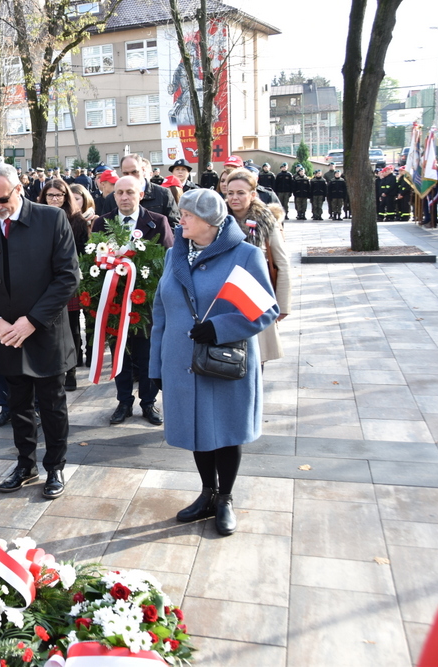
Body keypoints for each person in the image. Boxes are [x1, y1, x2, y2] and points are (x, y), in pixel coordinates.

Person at [149, 188, 279, 536]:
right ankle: (206, 492)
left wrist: (219, 327)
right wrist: (155, 366)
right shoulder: (176, 253)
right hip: (180, 361)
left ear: (209, 221)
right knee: (195, 431)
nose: (181, 220)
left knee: (225, 431)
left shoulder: (245, 255)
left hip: (223, 359)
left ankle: (225, 498)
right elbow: (160, 312)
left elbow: (267, 309)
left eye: (188, 215)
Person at [0, 162, 80, 500]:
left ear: (19, 189)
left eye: (2, 200)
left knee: (52, 403)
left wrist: (32, 321)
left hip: (43, 331)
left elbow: (67, 277)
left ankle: (55, 466)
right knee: (18, 404)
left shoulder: (51, 219)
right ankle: (25, 464)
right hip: (4, 333)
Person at [91, 175, 174, 426]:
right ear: (113, 196)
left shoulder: (157, 222)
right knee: (121, 354)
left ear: (141, 194)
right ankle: (124, 401)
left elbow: (168, 260)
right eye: (119, 193)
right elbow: (92, 260)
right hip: (114, 303)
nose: (124, 197)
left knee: (148, 354)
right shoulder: (101, 224)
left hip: (146, 303)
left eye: (130, 192)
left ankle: (148, 403)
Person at [223, 169, 291, 365]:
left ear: (253, 195)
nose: (234, 198)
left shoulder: (266, 221)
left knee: (255, 357)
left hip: (256, 297)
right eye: (230, 193)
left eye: (241, 192)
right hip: (225, 295)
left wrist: (282, 306)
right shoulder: (218, 220)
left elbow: (282, 264)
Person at [42, 178, 90, 391]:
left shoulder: (78, 221)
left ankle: (71, 371)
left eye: (58, 195)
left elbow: (82, 252)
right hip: (44, 281)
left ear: (66, 197)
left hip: (67, 280)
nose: (54, 199)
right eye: (50, 195)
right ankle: (55, 369)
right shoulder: (38, 218)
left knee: (71, 328)